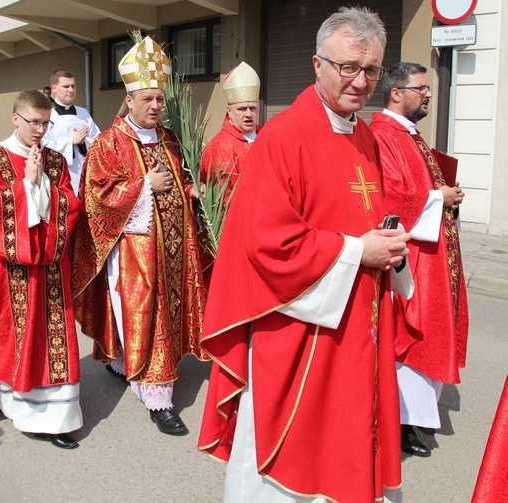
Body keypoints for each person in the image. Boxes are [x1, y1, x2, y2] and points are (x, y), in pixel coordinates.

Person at [197, 7, 414, 502]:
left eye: (372, 70)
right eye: (348, 67)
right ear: (317, 64)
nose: (361, 81)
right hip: (298, 329)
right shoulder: (283, 137)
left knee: (350, 438)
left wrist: (391, 249)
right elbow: (268, 245)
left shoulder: (366, 136)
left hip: (358, 322)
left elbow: (367, 218)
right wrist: (360, 251)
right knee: (294, 454)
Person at [72, 36, 208, 436]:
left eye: (159, 100)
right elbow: (96, 197)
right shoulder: (108, 143)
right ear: (129, 100)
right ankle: (158, 398)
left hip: (174, 249)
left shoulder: (169, 139)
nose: (154, 106)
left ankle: (131, 364)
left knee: (169, 312)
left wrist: (191, 192)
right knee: (148, 315)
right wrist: (143, 185)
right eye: (146, 99)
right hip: (135, 252)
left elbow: (178, 184)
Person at [0, 90, 84, 449]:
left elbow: (71, 205)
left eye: (46, 123)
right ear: (16, 119)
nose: (40, 130)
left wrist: (43, 185)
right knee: (4, 335)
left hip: (48, 267)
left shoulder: (56, 161)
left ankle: (49, 418)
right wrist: (26, 185)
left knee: (46, 335)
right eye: (34, 123)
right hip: (4, 269)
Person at [371, 62, 469, 458]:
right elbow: (389, 198)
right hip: (413, 258)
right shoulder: (382, 135)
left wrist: (447, 195)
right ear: (397, 92)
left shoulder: (411, 135)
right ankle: (403, 422)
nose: (428, 94)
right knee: (410, 337)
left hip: (434, 254)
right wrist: (437, 199)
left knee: (430, 332)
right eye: (421, 88)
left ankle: (416, 419)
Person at [201, 61, 261, 201]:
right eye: (241, 109)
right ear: (229, 111)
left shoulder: (267, 136)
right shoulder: (218, 146)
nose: (248, 114)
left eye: (252, 108)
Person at [43, 69, 100, 195]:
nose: (71, 90)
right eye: (66, 86)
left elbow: (99, 142)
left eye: (73, 86)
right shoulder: (47, 115)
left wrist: (84, 141)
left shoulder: (83, 113)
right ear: (54, 88)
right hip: (60, 175)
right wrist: (70, 141)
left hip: (85, 174)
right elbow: (42, 145)